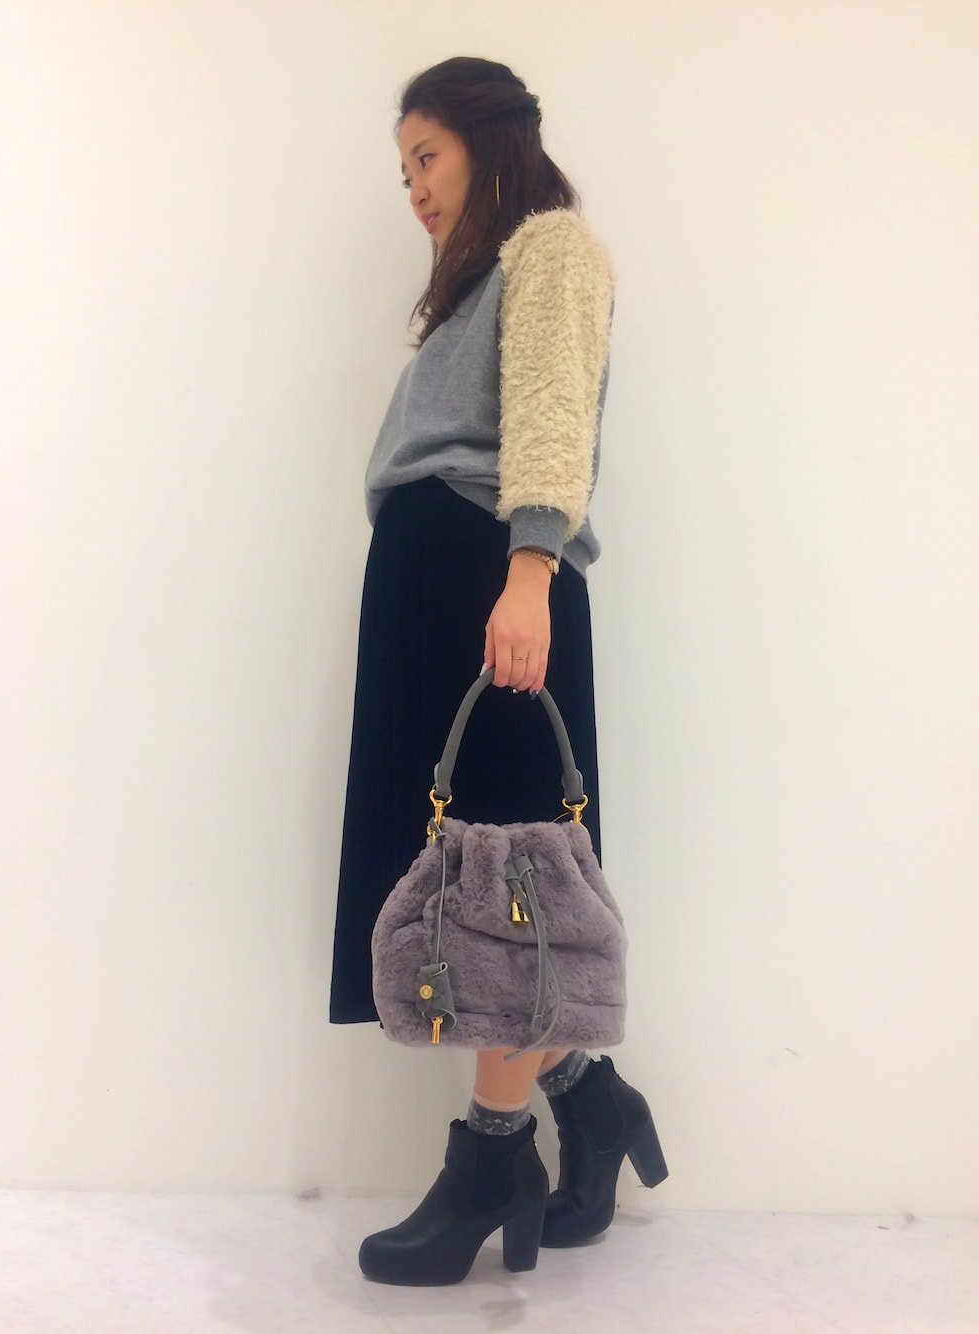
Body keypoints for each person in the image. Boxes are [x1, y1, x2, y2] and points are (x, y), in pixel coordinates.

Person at [328, 56, 667, 1286]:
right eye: (403, 170)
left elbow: (552, 414)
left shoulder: (549, 249)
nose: (414, 187)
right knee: (454, 872)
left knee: (509, 872)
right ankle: (595, 1103)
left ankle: (491, 1159)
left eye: (426, 155)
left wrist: (527, 570)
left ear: (489, 139)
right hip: (440, 591)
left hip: (493, 582)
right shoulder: (471, 285)